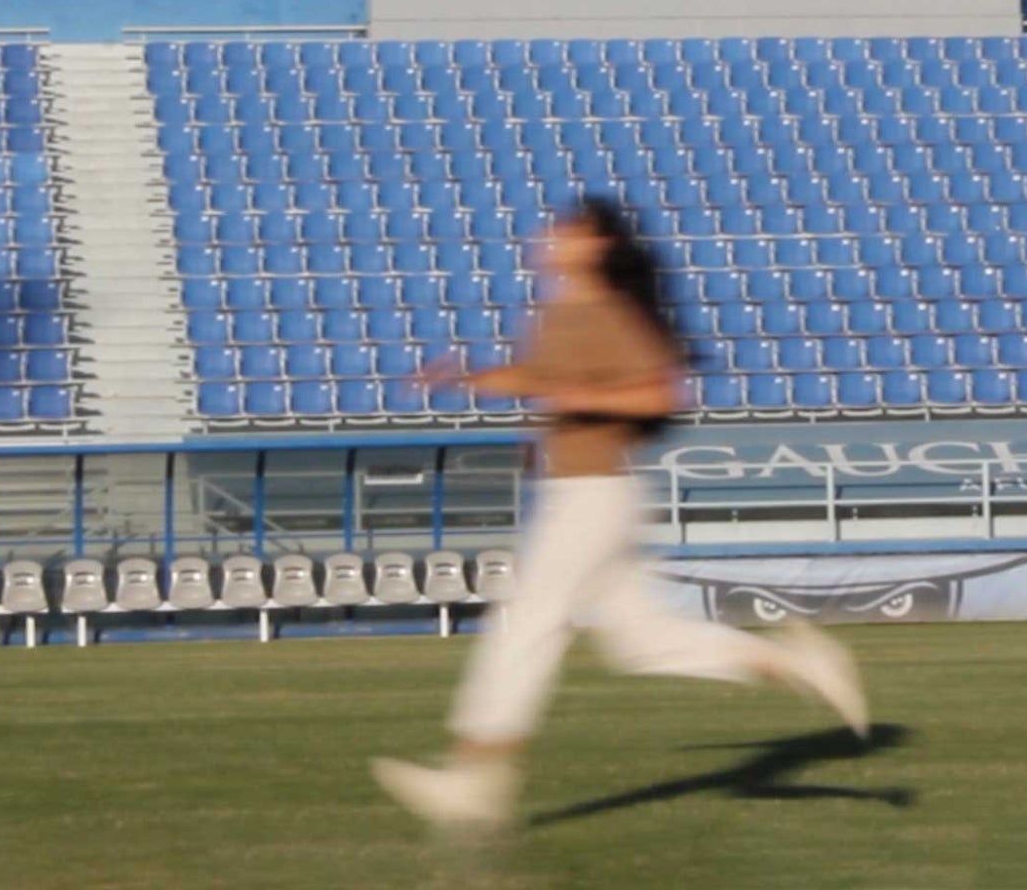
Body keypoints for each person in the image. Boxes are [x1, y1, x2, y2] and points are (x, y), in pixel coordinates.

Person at [371, 195, 868, 833]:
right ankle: (800, 664)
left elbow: (661, 392)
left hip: (594, 494)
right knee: (642, 642)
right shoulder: (554, 311)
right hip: (580, 492)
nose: (546, 239)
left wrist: (577, 396)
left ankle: (476, 778)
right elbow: (537, 376)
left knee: (528, 623)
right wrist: (464, 379)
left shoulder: (607, 311)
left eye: (563, 232)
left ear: (596, 244)